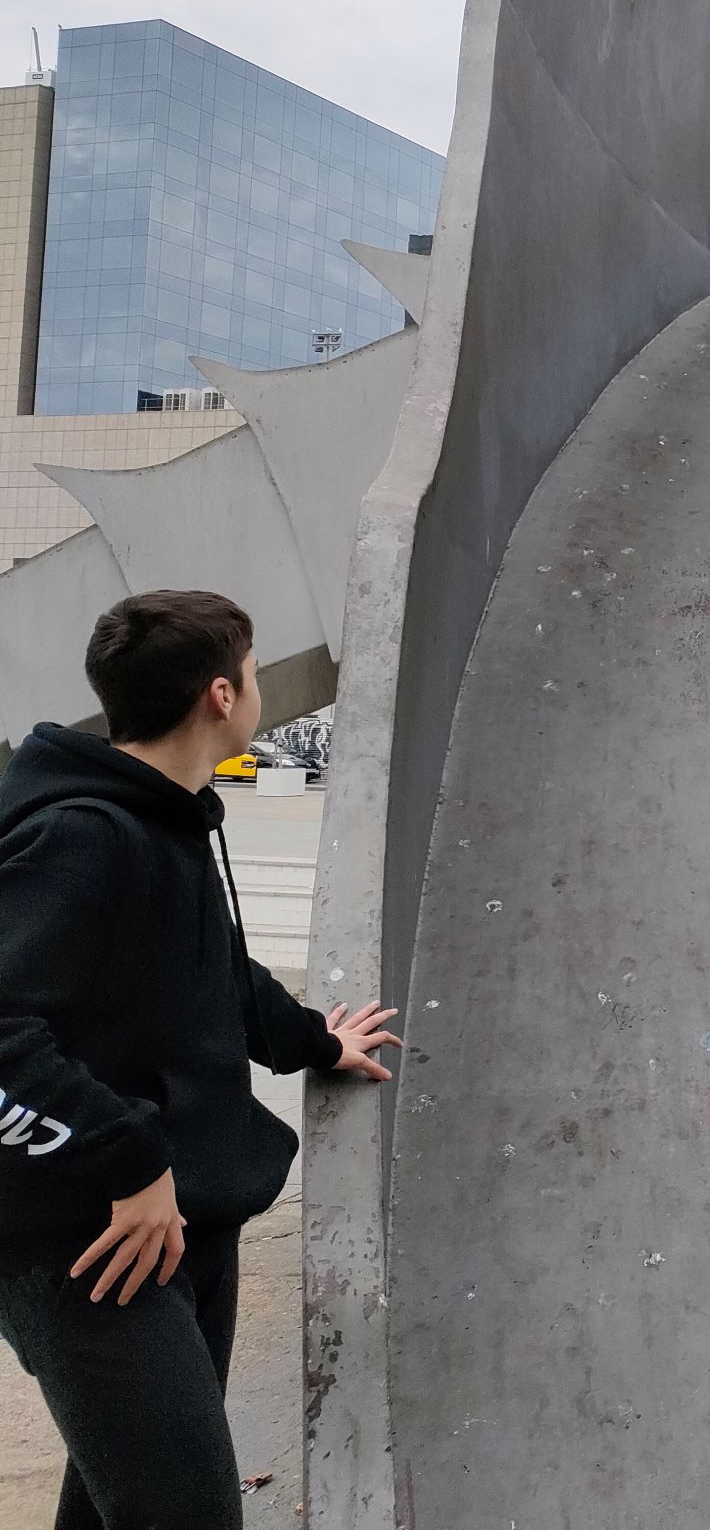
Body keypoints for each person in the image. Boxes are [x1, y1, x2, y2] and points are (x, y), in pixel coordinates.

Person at [0, 591, 402, 1529]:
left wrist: (317, 1040)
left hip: (183, 1224)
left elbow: (208, 964)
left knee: (126, 1504)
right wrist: (129, 1160)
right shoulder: (82, 835)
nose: (256, 687)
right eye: (254, 671)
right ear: (223, 695)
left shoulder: (164, 818)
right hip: (88, 1248)